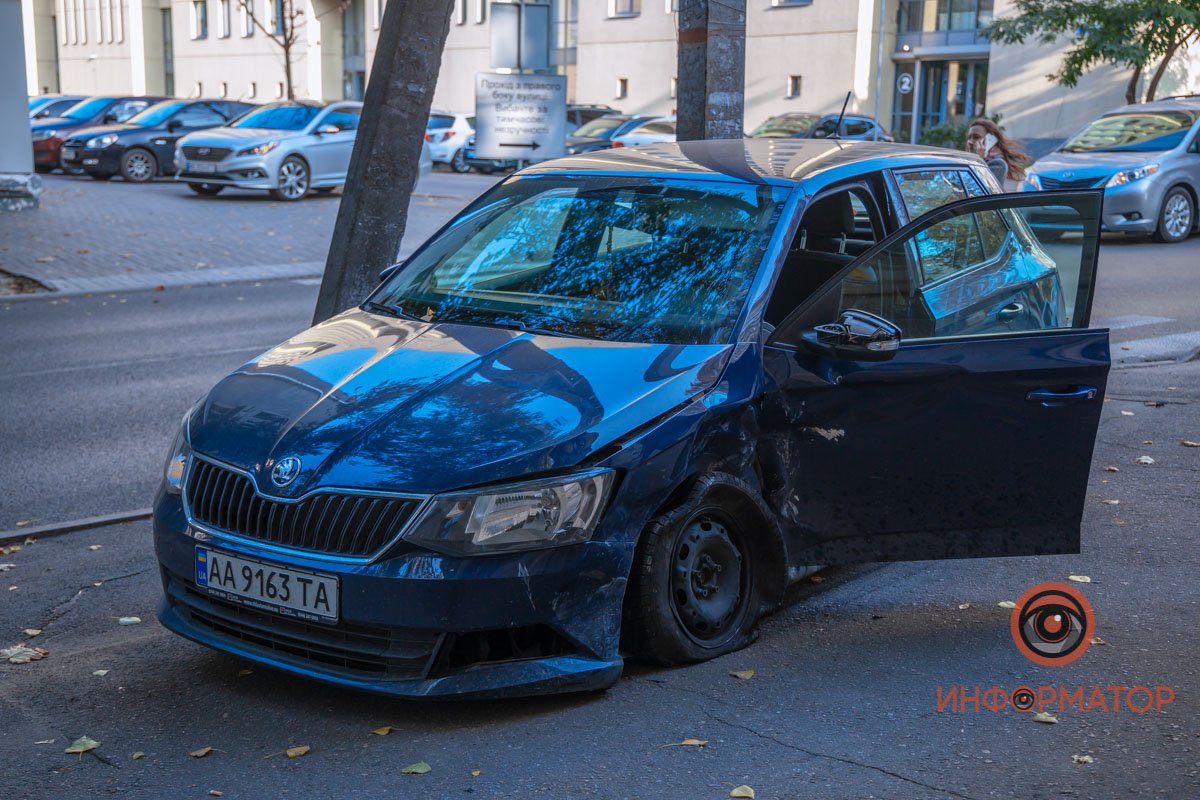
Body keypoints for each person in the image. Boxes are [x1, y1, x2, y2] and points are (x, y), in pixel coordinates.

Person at [965, 118, 1028, 191]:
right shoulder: (965, 162)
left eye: (976, 137)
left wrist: (978, 160)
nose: (970, 142)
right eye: (969, 137)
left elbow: (978, 189)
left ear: (990, 140)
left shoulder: (998, 164)